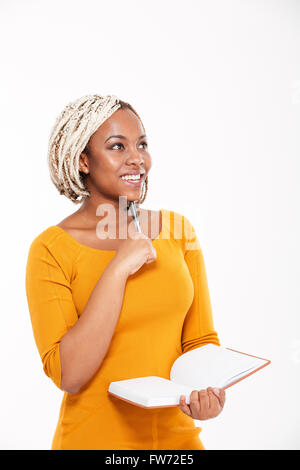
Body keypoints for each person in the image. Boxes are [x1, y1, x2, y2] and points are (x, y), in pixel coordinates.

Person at [25, 94, 226, 450]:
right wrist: (118, 267)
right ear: (83, 160)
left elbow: (199, 341)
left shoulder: (178, 231)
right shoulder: (51, 250)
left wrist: (207, 393)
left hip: (178, 446)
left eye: (142, 144)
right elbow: (69, 374)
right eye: (117, 146)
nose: (137, 159)